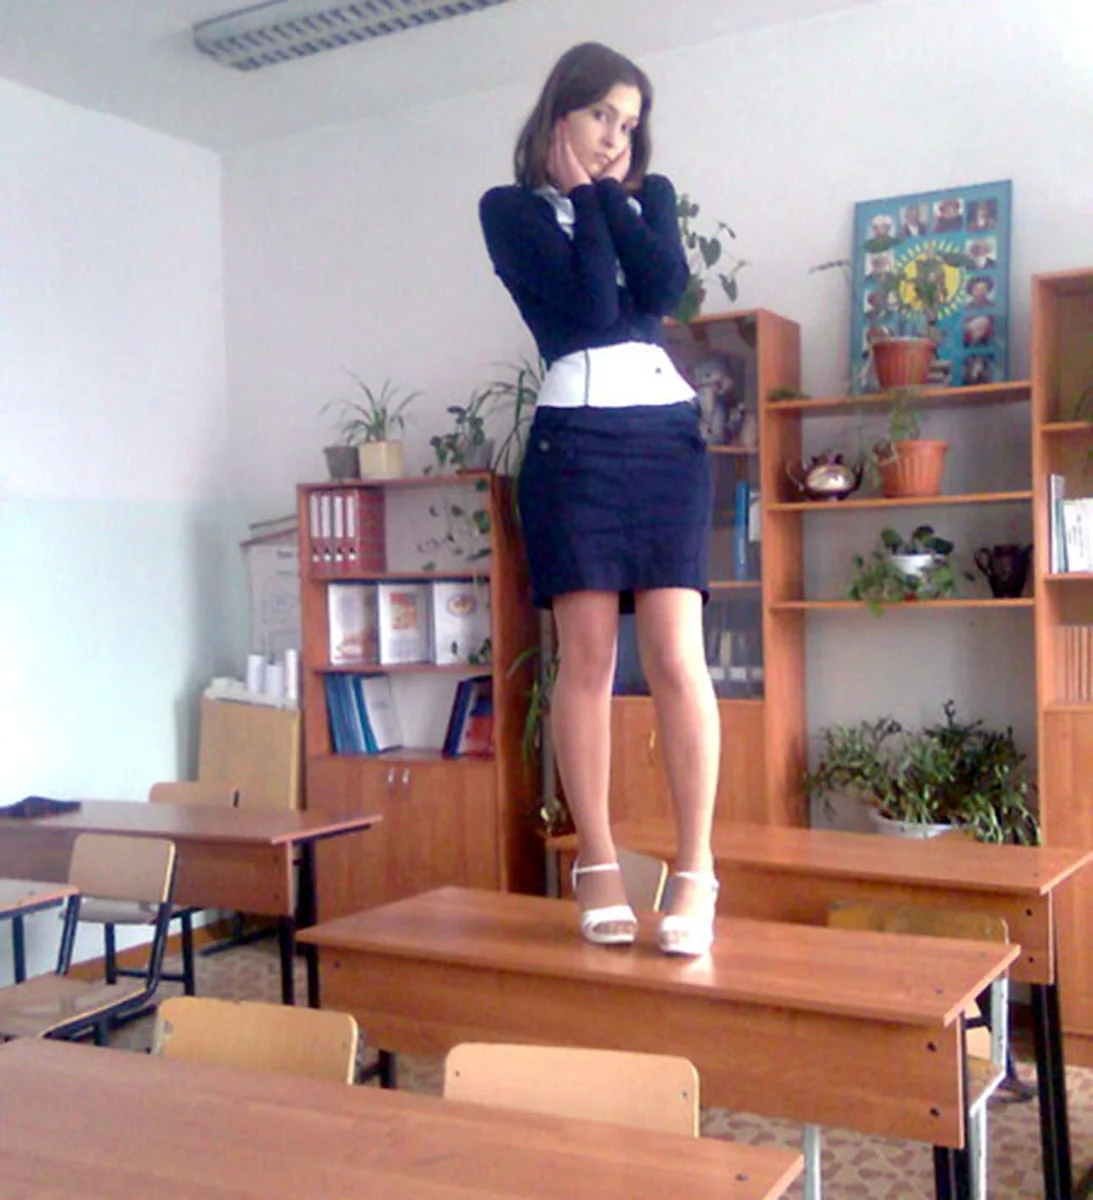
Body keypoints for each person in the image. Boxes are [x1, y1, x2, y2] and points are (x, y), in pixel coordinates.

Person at [479, 42, 720, 956]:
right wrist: (583, 199)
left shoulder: (647, 200)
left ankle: (696, 870)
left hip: (663, 441)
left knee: (675, 655)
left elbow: (662, 290)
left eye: (628, 123)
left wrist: (608, 198)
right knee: (584, 659)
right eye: (600, 116)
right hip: (574, 444)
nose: (617, 136)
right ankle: (599, 862)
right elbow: (584, 311)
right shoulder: (509, 211)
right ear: (559, 116)